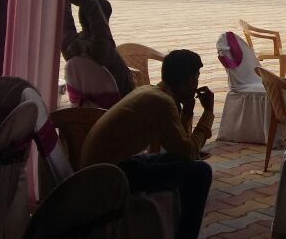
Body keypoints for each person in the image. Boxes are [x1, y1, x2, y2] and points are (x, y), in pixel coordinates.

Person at [81, 49, 214, 239]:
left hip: (106, 167)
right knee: (201, 173)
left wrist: (187, 112)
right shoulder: (161, 102)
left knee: (177, 161)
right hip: (110, 176)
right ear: (187, 80)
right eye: (197, 77)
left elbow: (180, 147)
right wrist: (208, 113)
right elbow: (189, 152)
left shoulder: (152, 92)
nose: (197, 84)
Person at [9, 0, 134, 98]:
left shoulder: (69, 45)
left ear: (80, 17)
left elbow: (66, 7)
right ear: (104, 21)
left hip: (88, 106)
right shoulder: (102, 46)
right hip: (122, 105)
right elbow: (88, 0)